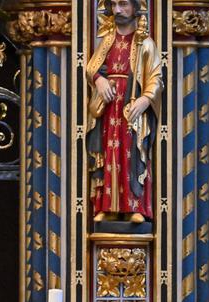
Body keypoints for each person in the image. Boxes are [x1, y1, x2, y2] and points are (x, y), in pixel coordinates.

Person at [86, 0, 162, 223]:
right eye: (114, 5)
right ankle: (107, 206)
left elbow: (156, 77)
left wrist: (146, 99)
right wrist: (99, 80)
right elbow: (91, 67)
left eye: (123, 4)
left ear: (136, 7)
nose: (117, 10)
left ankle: (135, 206)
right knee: (109, 152)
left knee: (132, 154)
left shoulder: (145, 43)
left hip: (131, 107)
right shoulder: (108, 40)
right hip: (109, 107)